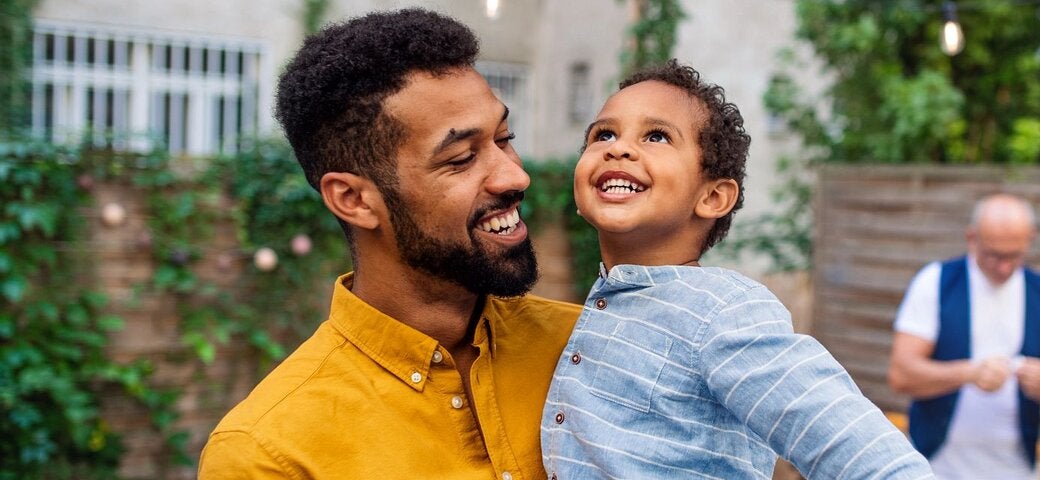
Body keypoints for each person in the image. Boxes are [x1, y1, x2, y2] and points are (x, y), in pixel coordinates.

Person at [198, 9, 581, 479]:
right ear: (354, 199)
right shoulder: (268, 453)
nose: (515, 174)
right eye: (461, 159)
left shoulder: (587, 346)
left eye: (505, 138)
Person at [541, 60, 933, 479]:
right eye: (604, 134)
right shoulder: (606, 304)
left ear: (712, 197)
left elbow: (856, 447)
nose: (618, 148)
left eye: (656, 136)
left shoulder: (722, 310)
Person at [888, 193, 1040, 479]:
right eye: (994, 254)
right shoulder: (934, 282)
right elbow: (901, 375)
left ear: (1030, 239)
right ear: (972, 238)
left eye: (1013, 255)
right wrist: (968, 373)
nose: (1003, 266)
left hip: (1017, 470)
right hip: (933, 467)